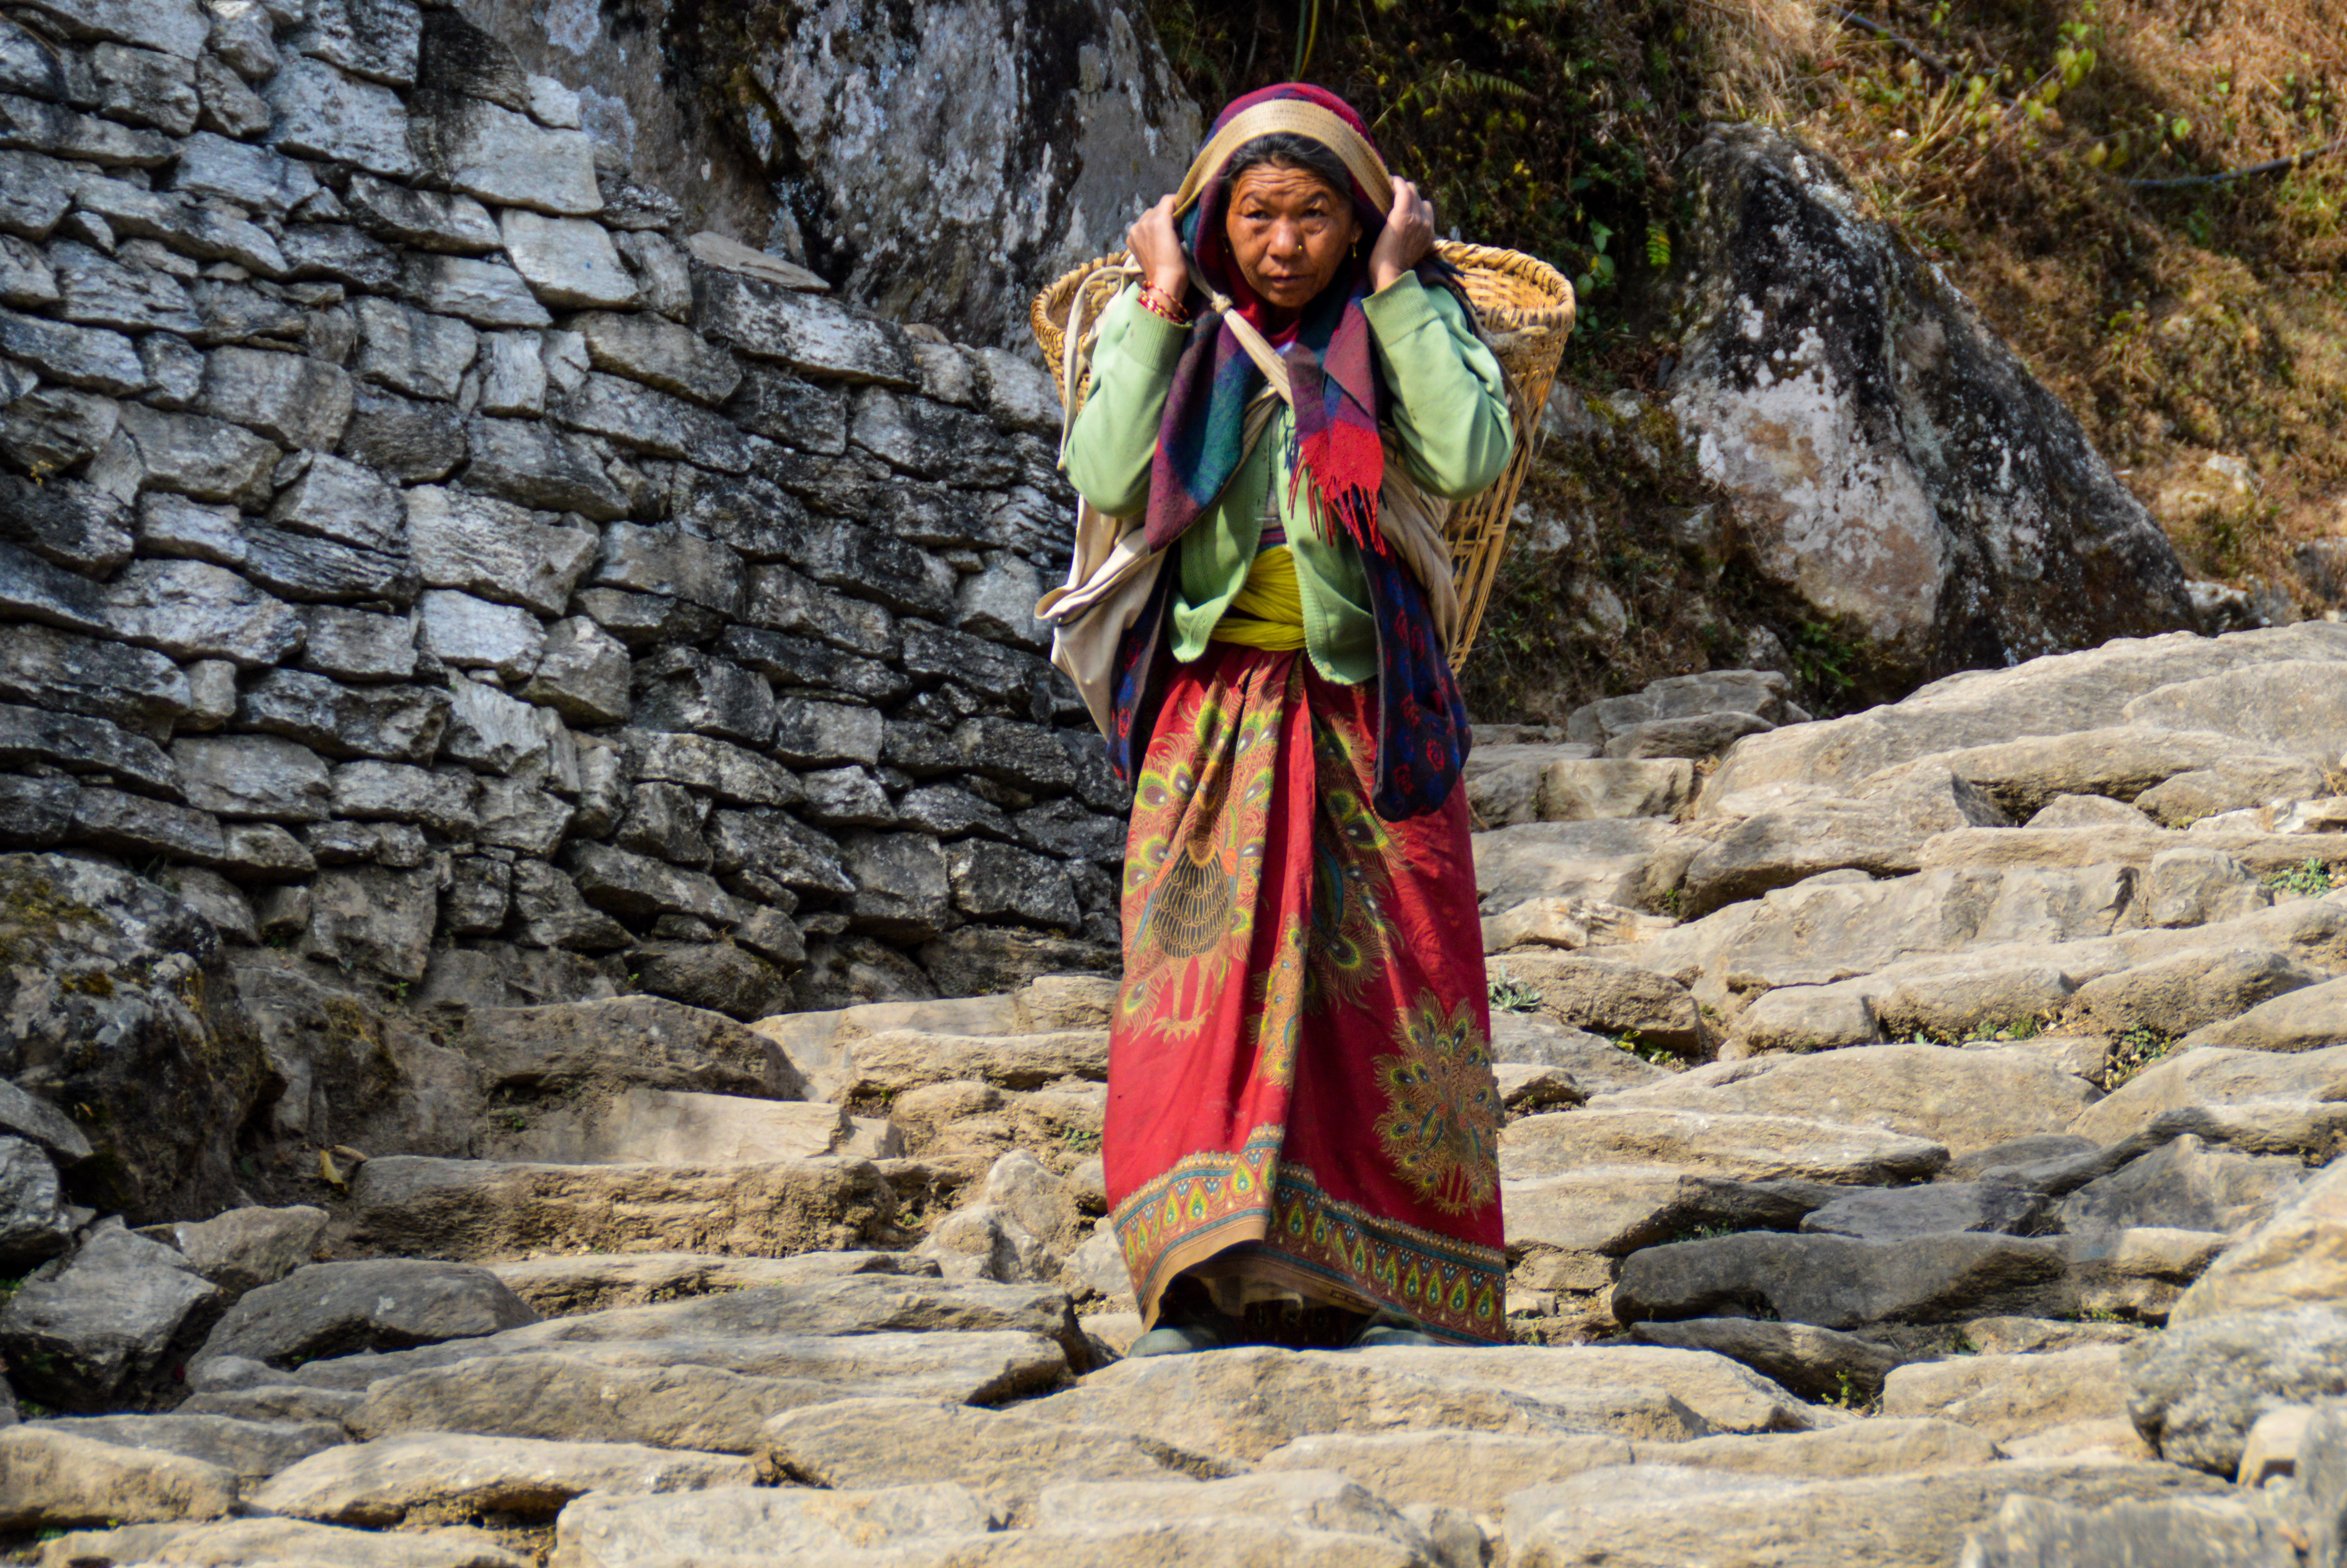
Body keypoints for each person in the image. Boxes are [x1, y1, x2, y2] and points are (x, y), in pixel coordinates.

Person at [1059, 83, 1515, 1355]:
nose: (1282, 242)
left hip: (1374, 714)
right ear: (1215, 220)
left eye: (1315, 214)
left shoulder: (1404, 318)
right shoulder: (1176, 333)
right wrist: (1155, 299)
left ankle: (1393, 1286)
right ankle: (1202, 1280)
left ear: (1360, 220)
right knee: (1195, 995)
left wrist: (1395, 286)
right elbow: (1102, 471)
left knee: (1387, 999)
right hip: (1213, 715)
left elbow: (1471, 453)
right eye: (1257, 212)